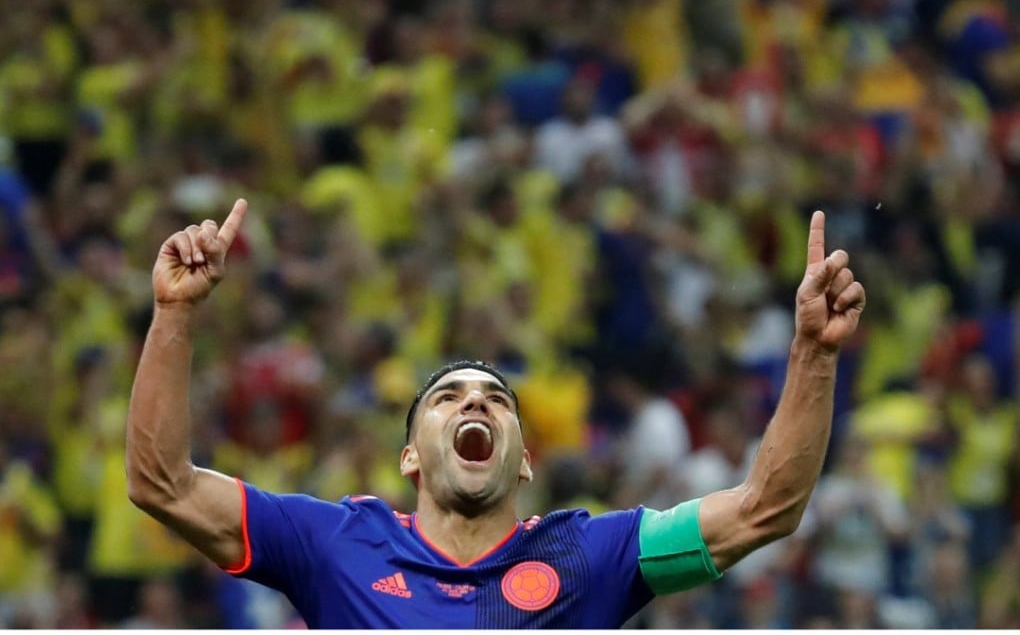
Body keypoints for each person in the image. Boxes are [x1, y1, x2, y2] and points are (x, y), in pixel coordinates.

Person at [126, 198, 866, 628]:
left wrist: (813, 354)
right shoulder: (336, 543)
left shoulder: (593, 555)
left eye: (496, 400)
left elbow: (767, 508)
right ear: (410, 456)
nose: (475, 400)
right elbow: (162, 484)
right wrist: (173, 314)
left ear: (526, 457)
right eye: (446, 398)